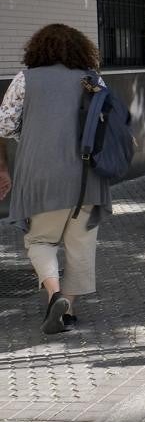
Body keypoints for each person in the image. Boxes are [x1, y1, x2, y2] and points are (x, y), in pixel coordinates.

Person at [0, 24, 114, 334]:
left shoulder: (26, 79)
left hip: (41, 175)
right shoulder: (93, 80)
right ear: (81, 50)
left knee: (40, 240)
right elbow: (107, 122)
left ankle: (53, 296)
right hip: (87, 178)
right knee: (81, 244)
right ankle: (69, 308)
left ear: (37, 49)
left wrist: (6, 166)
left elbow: (4, 126)